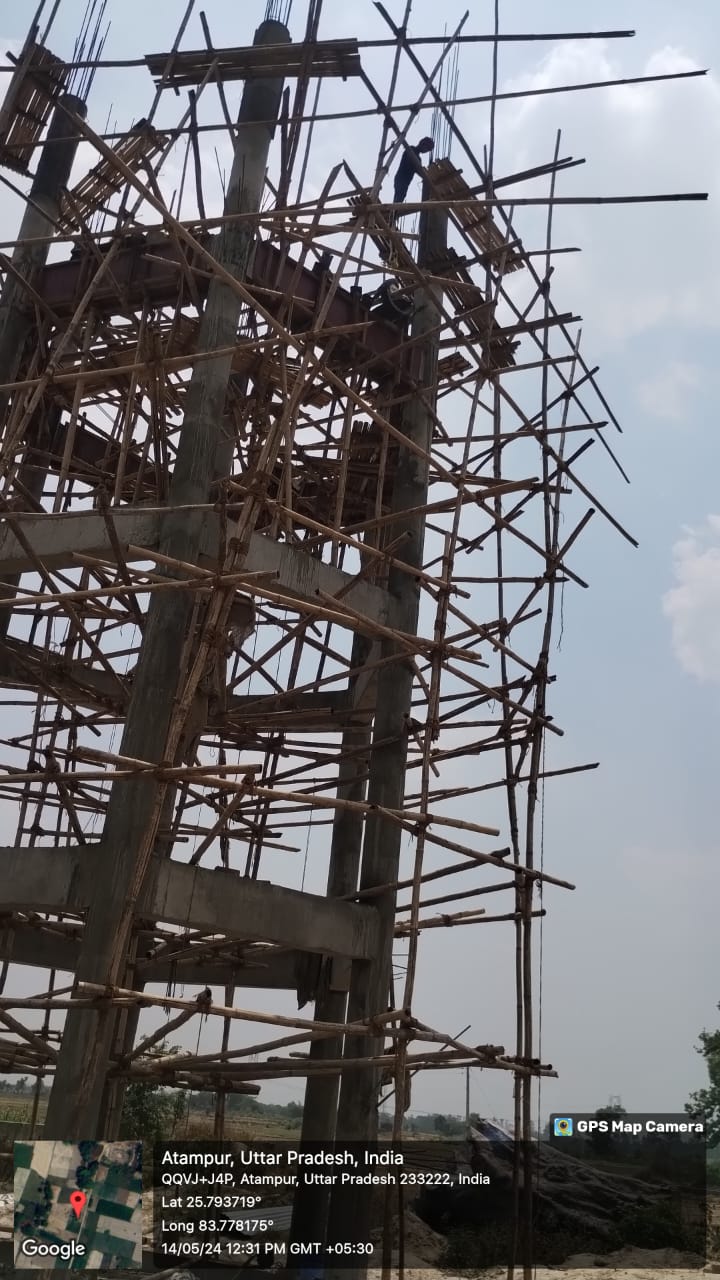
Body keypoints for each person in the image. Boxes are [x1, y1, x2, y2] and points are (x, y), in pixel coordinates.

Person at [393, 135, 434, 205]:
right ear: (422, 143)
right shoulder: (411, 149)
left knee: (400, 197)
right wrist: (420, 170)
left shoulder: (418, 159)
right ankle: (393, 211)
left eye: (427, 150)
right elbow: (411, 163)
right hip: (401, 178)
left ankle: (394, 211)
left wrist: (426, 177)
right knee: (399, 197)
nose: (425, 151)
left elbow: (419, 171)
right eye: (426, 148)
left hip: (405, 181)